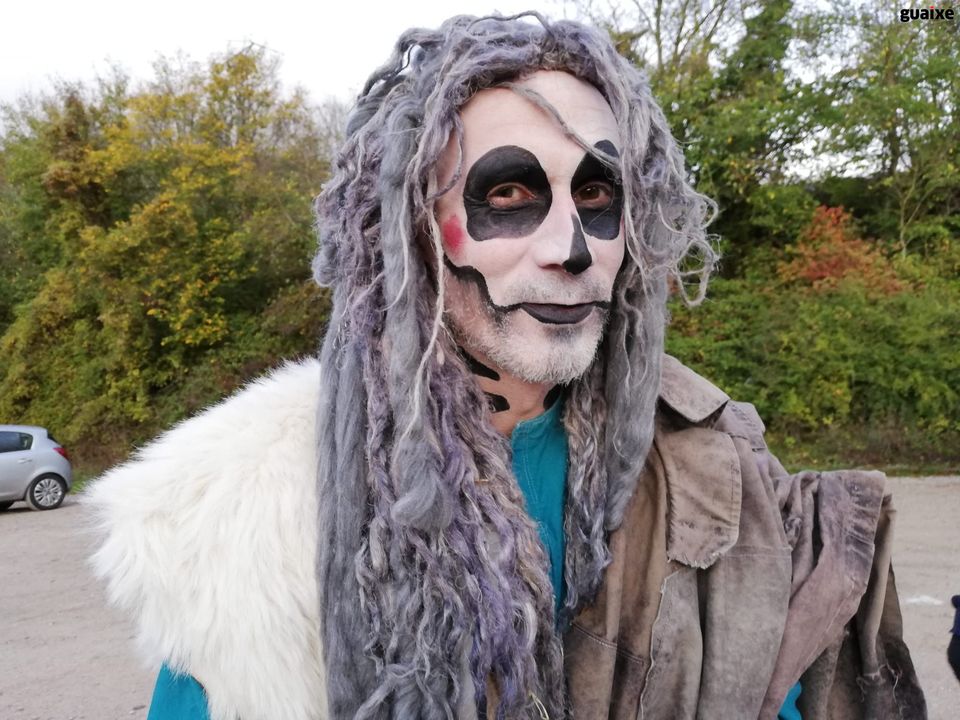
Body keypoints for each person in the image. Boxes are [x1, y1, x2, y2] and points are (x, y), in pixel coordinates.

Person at [86, 13, 926, 720]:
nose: (572, 248)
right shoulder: (242, 513)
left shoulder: (719, 461)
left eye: (597, 197)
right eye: (510, 195)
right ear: (411, 230)